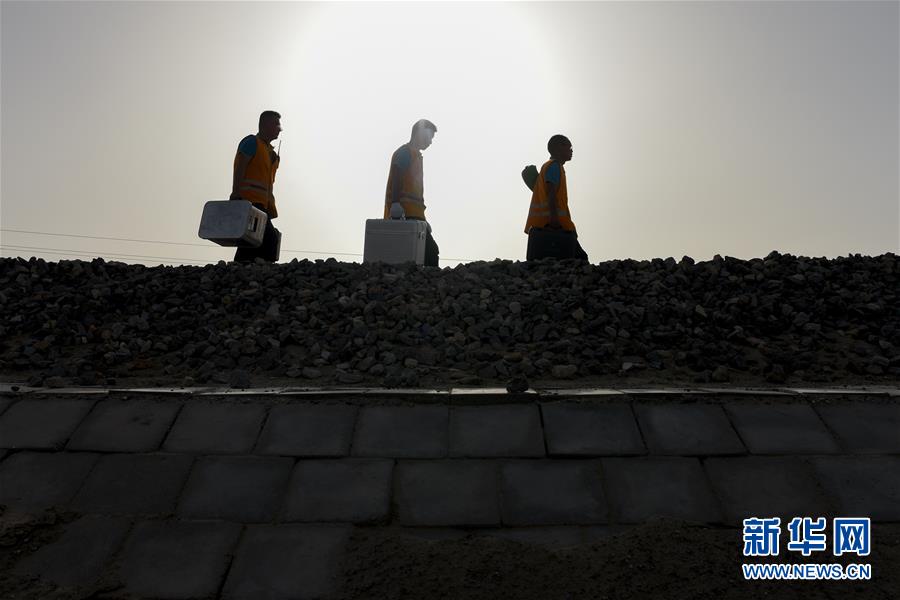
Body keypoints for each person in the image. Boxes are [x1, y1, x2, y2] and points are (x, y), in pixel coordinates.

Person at [384, 119, 440, 266]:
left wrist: (423, 220)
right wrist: (395, 203)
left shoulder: (416, 156)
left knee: (422, 253)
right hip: (404, 214)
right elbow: (397, 174)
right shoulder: (405, 153)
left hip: (414, 216)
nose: (430, 142)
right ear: (421, 133)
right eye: (430, 137)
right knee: (429, 252)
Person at [524, 134, 589, 261]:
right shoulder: (554, 166)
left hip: (545, 226)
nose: (571, 151)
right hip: (555, 225)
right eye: (569, 147)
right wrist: (554, 220)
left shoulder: (550, 166)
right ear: (558, 148)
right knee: (580, 259)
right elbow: (551, 193)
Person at [230, 110, 282, 262]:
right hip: (249, 201)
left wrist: (270, 206)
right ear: (265, 124)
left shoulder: (269, 152)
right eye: (276, 124)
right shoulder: (252, 142)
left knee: (252, 239)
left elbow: (267, 182)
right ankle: (261, 269)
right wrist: (236, 193)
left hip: (261, 205)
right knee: (269, 239)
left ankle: (242, 267)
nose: (280, 129)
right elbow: (240, 166)